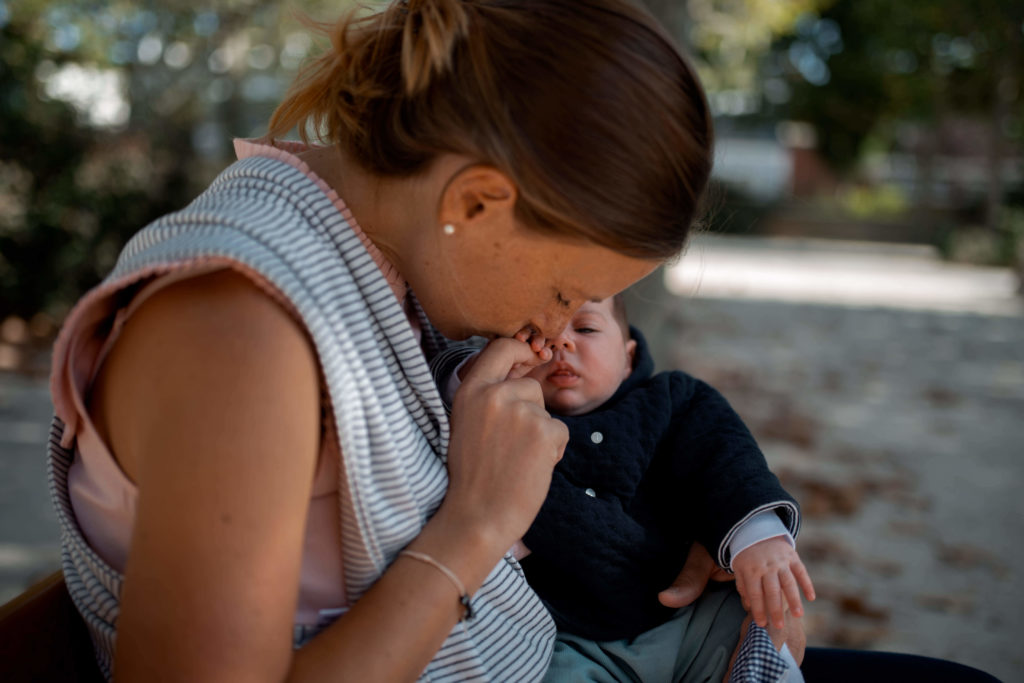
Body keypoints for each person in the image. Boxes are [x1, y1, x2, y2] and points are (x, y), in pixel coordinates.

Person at [46, 0, 725, 680]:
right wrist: (476, 525)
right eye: (563, 293)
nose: (556, 327)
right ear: (475, 202)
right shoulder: (239, 334)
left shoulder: (382, 262)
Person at [432, 296, 813, 682]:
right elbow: (460, 413)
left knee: (757, 621)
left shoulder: (670, 401)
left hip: (688, 620)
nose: (562, 342)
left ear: (629, 356)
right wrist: (482, 379)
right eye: (539, 335)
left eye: (586, 328)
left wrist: (758, 537)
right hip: (574, 640)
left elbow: (726, 457)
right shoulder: (509, 432)